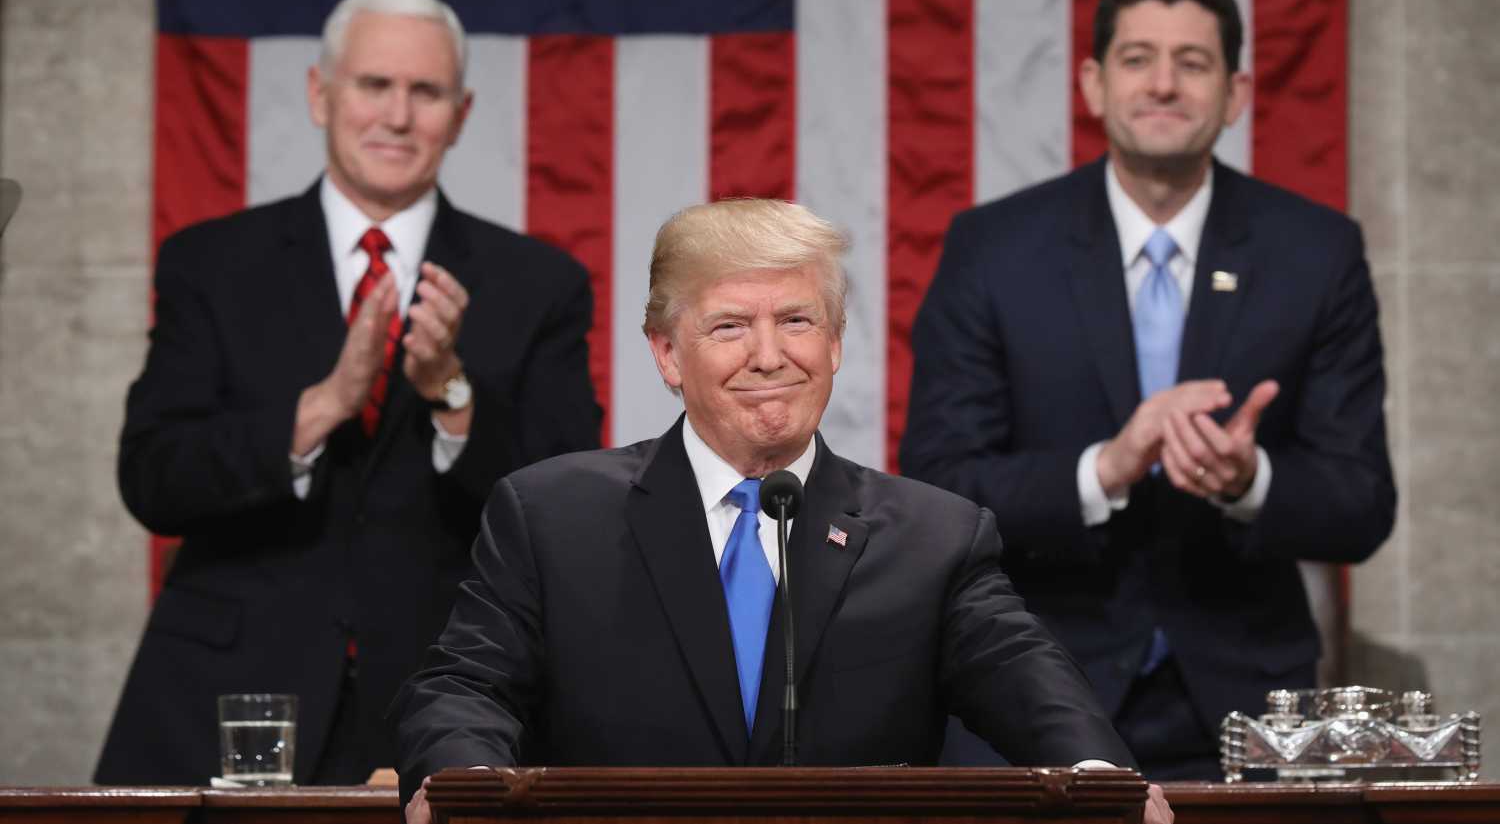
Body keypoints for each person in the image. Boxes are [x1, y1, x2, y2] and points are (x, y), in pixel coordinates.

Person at [393, 199, 1173, 824]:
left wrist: (1102, 783)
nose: (769, 355)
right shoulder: (552, 515)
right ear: (667, 353)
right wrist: (467, 786)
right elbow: (462, 687)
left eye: (797, 320)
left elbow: (1026, 679)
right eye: (730, 326)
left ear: (834, 341)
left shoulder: (935, 537)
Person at [94, 0, 603, 785]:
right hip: (228, 701)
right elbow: (154, 476)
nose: (397, 116)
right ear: (320, 93)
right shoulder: (211, 263)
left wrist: (453, 396)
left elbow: (570, 508)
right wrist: (324, 404)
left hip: (445, 708)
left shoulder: (538, 282)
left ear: (461, 113)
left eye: (425, 92)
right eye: (374, 85)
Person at [900, 0, 1395, 779]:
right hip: (1029, 699)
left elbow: (1363, 503)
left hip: (1246, 714)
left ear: (1234, 93)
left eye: (1192, 62)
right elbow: (940, 487)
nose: (1164, 83)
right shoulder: (993, 250)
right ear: (1094, 83)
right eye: (1138, 58)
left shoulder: (1317, 252)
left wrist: (1251, 480)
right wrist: (1106, 468)